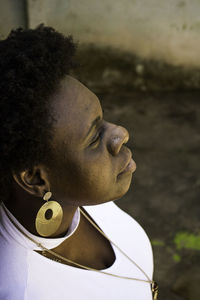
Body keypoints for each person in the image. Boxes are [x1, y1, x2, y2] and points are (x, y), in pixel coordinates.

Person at [0, 25, 155, 300]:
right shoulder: (25, 292)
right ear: (35, 178)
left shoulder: (79, 193)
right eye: (94, 137)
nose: (121, 133)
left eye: (103, 118)